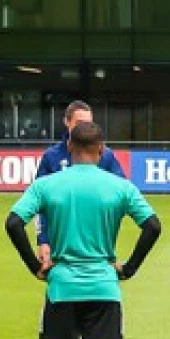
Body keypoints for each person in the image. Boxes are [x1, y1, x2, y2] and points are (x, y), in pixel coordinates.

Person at [6, 121, 161, 339]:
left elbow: (13, 222)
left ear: (70, 147)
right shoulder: (119, 187)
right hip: (104, 287)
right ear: (103, 150)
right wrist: (130, 267)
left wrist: (34, 264)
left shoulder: (48, 184)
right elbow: (153, 226)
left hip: (61, 287)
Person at [34, 101, 126, 269]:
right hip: (59, 245)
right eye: (78, 124)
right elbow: (39, 204)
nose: (84, 129)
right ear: (67, 122)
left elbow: (122, 195)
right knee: (59, 289)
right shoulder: (51, 157)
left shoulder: (105, 156)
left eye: (88, 124)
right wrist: (43, 241)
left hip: (96, 244)